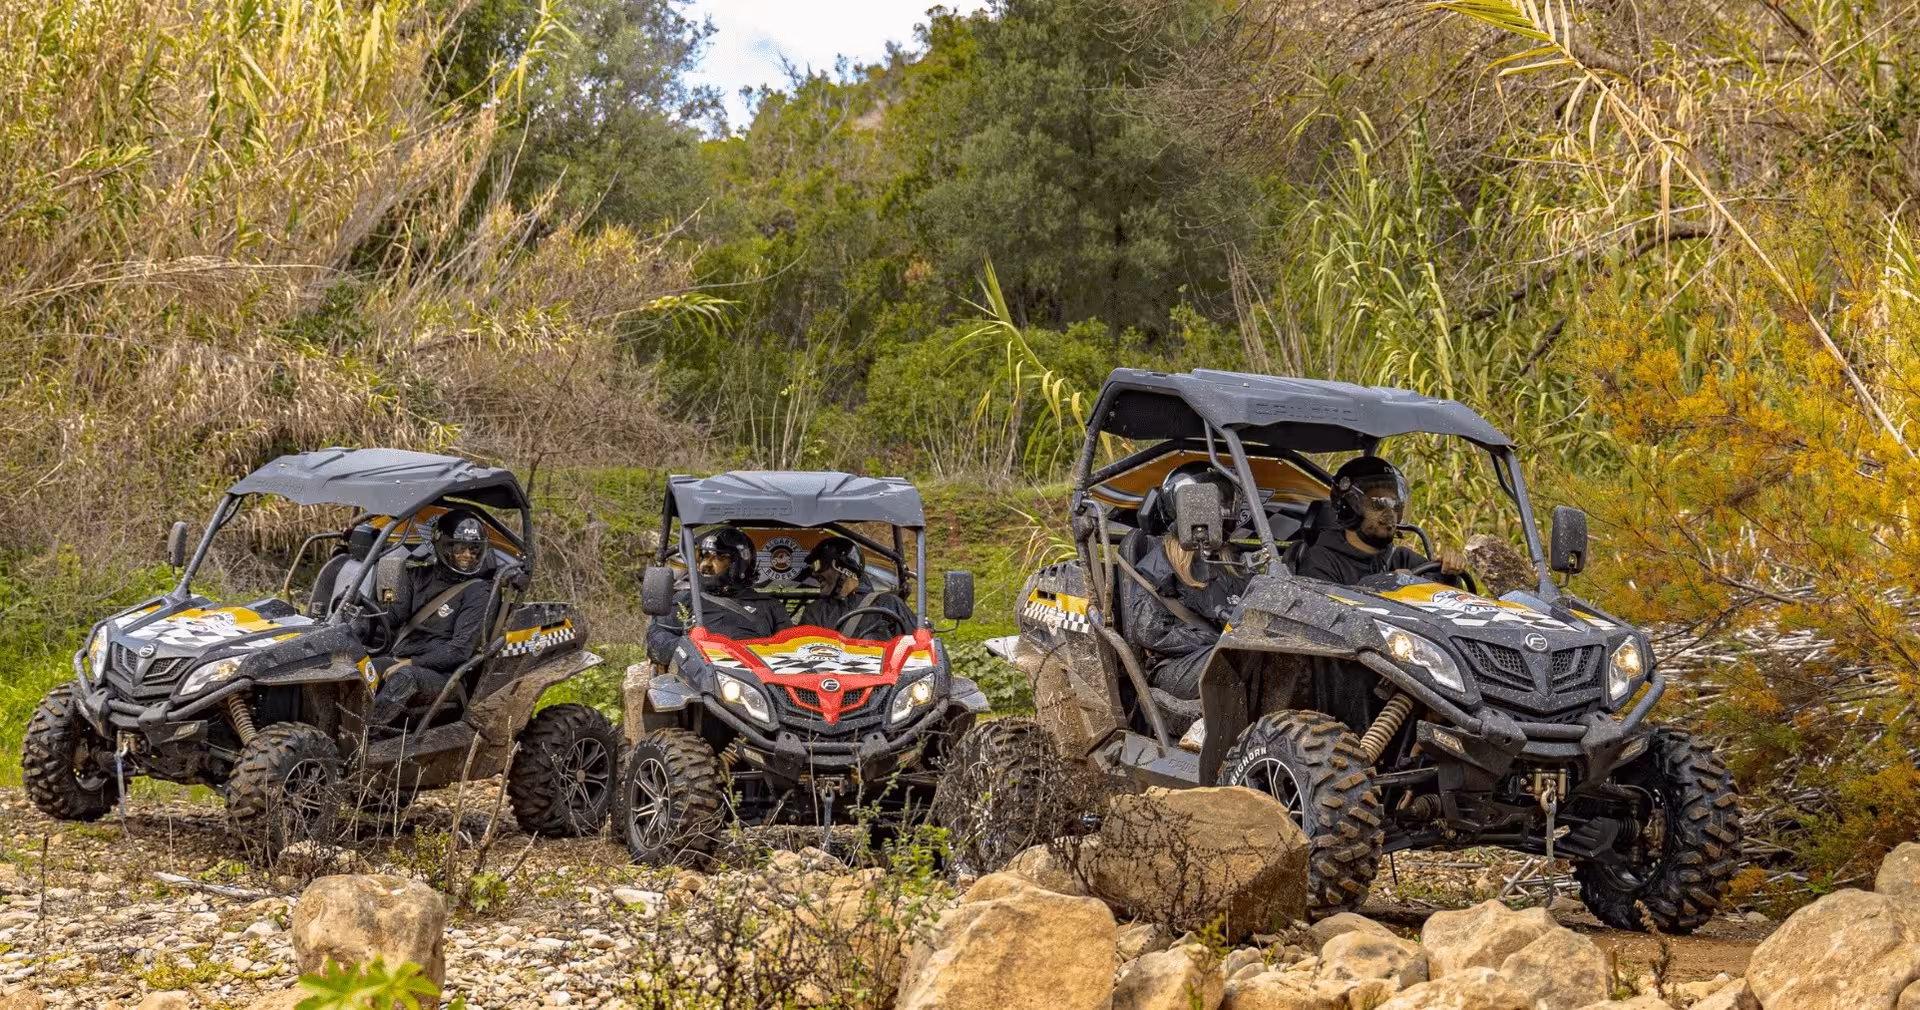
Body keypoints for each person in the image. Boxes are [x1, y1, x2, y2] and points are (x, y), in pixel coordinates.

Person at [1118, 464, 1251, 713]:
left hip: (1224, 654)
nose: (1222, 512)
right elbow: (1150, 632)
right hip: (1175, 666)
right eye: (1213, 505)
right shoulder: (1160, 564)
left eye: (1225, 504)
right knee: (1240, 656)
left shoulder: (1232, 561)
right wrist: (1217, 639)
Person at [365, 509, 494, 731]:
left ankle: (366, 735)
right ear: (443, 546)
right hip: (403, 660)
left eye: (473, 550)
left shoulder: (477, 591)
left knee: (404, 677)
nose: (467, 555)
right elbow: (394, 617)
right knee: (365, 669)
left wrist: (413, 663)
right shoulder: (418, 576)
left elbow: (460, 650)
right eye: (459, 548)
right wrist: (365, 613)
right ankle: (339, 725)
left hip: (445, 676)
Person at [1292, 456, 1465, 585]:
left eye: (1396, 504)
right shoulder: (1321, 561)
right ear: (1349, 507)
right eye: (1379, 503)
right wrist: (1382, 588)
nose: (1390, 513)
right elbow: (1324, 614)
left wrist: (1449, 575)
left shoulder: (1402, 557)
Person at [646, 526, 792, 665]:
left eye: (719, 558)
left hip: (757, 678)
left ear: (740, 564)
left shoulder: (770, 606)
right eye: (705, 557)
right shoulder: (685, 600)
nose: (706, 564)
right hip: (702, 677)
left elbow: (791, 649)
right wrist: (689, 651)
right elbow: (657, 636)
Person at [798, 537, 915, 640]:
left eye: (821, 566)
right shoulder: (815, 612)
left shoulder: (889, 604)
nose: (814, 574)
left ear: (841, 566)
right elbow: (801, 650)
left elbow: (917, 646)